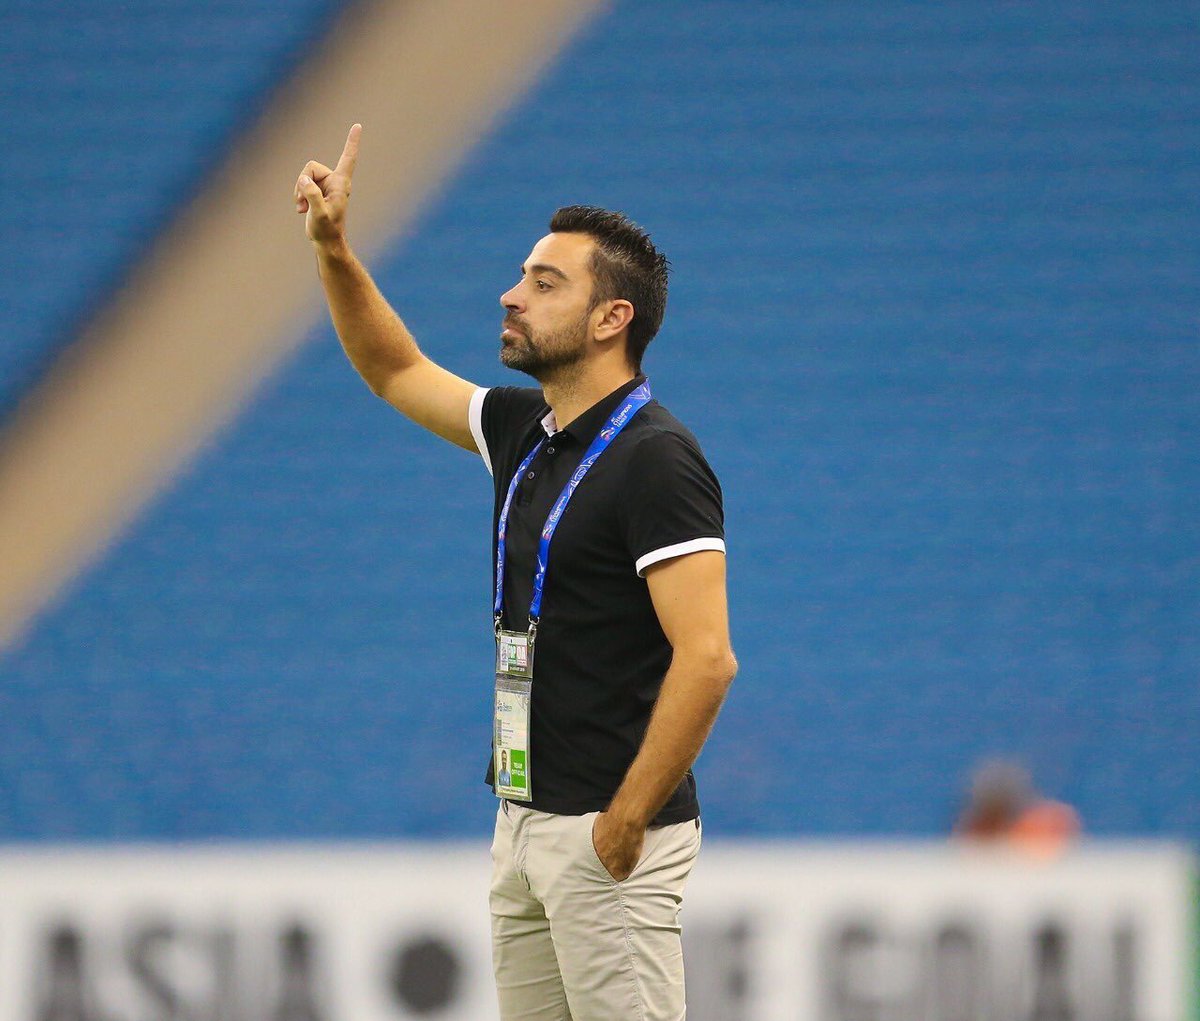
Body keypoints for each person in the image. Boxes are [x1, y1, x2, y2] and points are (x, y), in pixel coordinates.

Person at [294, 125, 737, 1021]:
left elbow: (708, 658)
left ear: (612, 319)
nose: (511, 294)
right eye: (522, 276)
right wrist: (334, 250)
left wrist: (623, 821)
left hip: (605, 834)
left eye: (544, 282)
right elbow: (393, 368)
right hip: (525, 818)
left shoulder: (656, 458)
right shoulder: (522, 430)